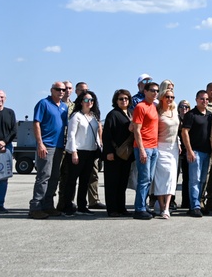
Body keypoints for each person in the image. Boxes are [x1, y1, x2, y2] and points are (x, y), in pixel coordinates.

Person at [29, 82, 69, 219]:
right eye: (58, 89)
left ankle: (48, 206)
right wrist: (40, 143)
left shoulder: (64, 107)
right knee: (43, 176)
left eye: (63, 90)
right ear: (52, 90)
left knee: (54, 177)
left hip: (59, 146)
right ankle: (35, 207)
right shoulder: (44, 103)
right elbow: (36, 123)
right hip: (47, 145)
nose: (61, 92)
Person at [61, 90, 102, 215]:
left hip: (90, 152)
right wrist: (73, 152)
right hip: (77, 151)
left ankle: (82, 206)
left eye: (91, 100)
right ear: (81, 102)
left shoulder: (94, 117)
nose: (89, 102)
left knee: (85, 181)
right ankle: (67, 206)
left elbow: (97, 134)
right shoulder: (76, 116)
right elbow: (71, 135)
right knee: (71, 180)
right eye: (86, 100)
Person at [180, 90, 212, 218]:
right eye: (201, 99)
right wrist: (189, 150)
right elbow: (184, 132)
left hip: (207, 152)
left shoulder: (210, 115)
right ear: (196, 99)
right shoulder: (191, 115)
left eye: (206, 99)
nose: (204, 101)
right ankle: (194, 206)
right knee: (195, 180)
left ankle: (197, 203)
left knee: (203, 180)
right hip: (195, 152)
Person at [102, 89, 134, 217]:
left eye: (126, 98)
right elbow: (106, 135)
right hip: (114, 154)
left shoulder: (130, 113)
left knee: (122, 183)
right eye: (121, 99)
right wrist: (108, 152)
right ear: (116, 101)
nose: (123, 101)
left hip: (126, 155)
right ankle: (112, 209)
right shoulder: (113, 114)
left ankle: (121, 207)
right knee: (112, 183)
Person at [131, 81, 160, 220]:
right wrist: (142, 150)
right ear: (145, 92)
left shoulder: (154, 107)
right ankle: (139, 209)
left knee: (149, 179)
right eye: (152, 90)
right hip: (144, 147)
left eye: (157, 91)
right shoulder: (140, 107)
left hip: (154, 148)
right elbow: (136, 130)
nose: (155, 93)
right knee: (143, 179)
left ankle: (144, 205)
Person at [153, 88, 181, 219]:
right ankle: (160, 204)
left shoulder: (174, 111)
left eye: (172, 97)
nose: (170, 99)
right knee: (160, 178)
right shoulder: (157, 112)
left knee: (171, 177)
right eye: (168, 97)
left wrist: (179, 143)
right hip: (160, 146)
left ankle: (166, 207)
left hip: (173, 147)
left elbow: (177, 131)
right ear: (162, 98)